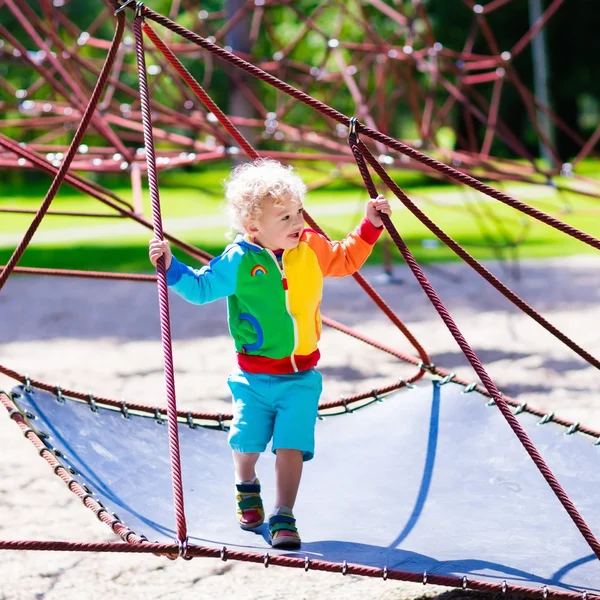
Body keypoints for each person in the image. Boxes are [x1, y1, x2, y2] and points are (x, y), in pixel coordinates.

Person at [149, 158, 391, 549]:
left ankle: (284, 515)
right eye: (285, 218)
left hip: (301, 377)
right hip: (255, 378)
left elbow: (345, 259)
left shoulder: (310, 247)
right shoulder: (239, 260)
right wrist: (171, 266)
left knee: (291, 444)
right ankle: (246, 483)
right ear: (254, 228)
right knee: (247, 444)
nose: (297, 222)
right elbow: (200, 289)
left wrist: (370, 226)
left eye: (297, 212)